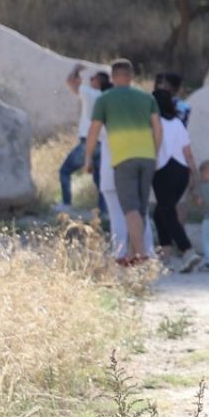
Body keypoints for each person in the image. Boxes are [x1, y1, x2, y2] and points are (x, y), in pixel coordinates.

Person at [84, 59, 161, 265]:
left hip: (124, 159)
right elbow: (157, 128)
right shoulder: (147, 98)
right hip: (147, 157)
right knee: (141, 209)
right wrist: (156, 154)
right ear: (132, 76)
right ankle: (132, 256)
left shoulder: (104, 100)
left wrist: (88, 157)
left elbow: (93, 131)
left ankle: (142, 255)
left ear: (113, 77)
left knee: (130, 209)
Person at [94, 73, 151, 259]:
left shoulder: (106, 121)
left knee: (119, 216)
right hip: (136, 167)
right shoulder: (137, 120)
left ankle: (120, 255)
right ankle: (146, 251)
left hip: (112, 172)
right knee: (142, 214)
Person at [151, 89, 201, 272]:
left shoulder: (154, 123)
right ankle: (166, 256)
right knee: (160, 213)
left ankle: (187, 250)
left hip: (163, 170)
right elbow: (188, 153)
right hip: (182, 171)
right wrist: (195, 178)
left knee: (166, 211)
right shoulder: (178, 123)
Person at [59, 63, 104, 212]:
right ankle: (104, 211)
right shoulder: (106, 97)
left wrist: (76, 69)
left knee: (65, 171)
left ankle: (66, 204)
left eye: (93, 78)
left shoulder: (89, 93)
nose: (90, 80)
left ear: (98, 82)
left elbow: (71, 81)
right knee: (100, 179)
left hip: (88, 141)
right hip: (103, 144)